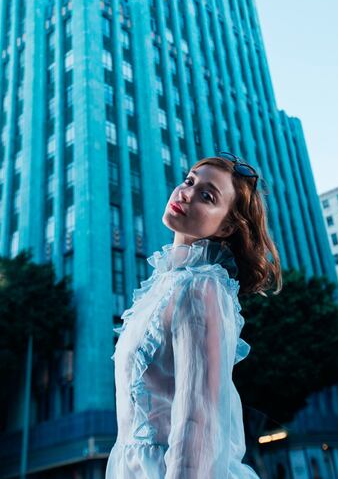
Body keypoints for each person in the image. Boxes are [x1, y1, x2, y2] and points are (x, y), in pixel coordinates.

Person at [105, 151, 282, 478]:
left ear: (227, 225)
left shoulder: (201, 288)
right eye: (188, 181)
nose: (185, 193)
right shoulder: (162, 287)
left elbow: (198, 422)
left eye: (206, 195)